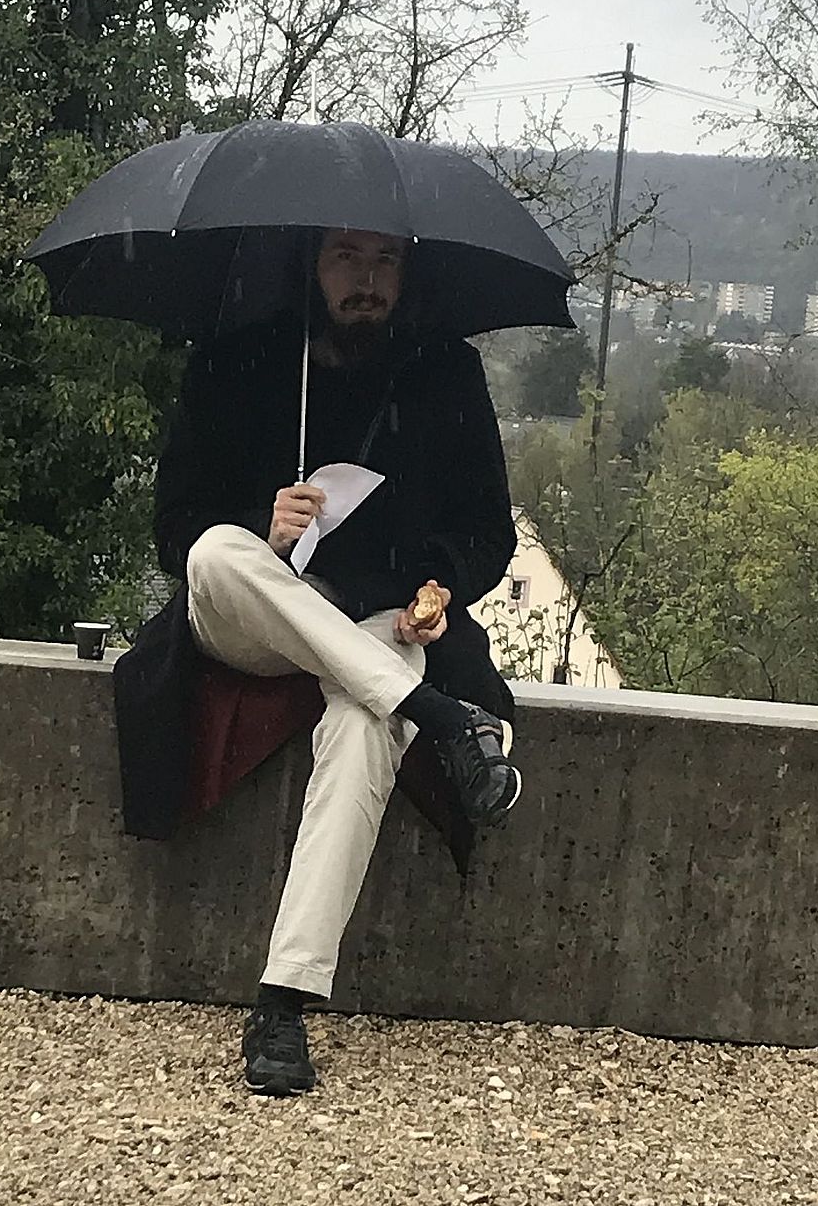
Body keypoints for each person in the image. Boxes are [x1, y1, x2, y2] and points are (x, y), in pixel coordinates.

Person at [148, 226, 521, 1097]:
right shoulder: (231, 362)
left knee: (365, 720)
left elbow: (489, 530)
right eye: (346, 259)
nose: (366, 280)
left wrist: (443, 583)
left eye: (385, 261)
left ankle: (283, 1001)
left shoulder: (446, 372)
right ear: (310, 267)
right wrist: (263, 521)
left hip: (386, 624)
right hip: (257, 612)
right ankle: (442, 717)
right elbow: (176, 529)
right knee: (215, 553)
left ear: (407, 274)